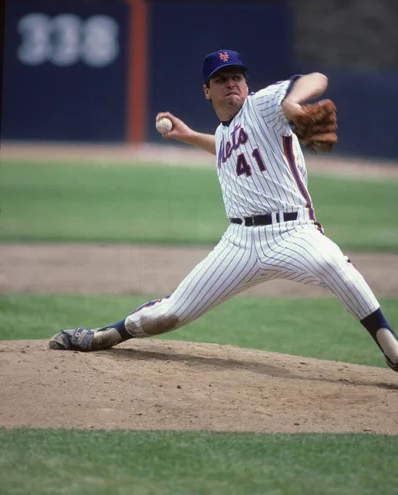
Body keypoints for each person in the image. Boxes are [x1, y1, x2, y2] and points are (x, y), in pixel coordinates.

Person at [49, 49, 398, 372]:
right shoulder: (225, 131)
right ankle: (104, 336)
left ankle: (392, 351)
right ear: (207, 90)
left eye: (237, 77)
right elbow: (228, 145)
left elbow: (316, 78)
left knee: (335, 265)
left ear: (246, 84)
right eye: (221, 79)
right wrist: (189, 137)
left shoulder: (263, 105)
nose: (231, 83)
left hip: (294, 232)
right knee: (170, 314)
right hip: (239, 243)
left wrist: (292, 103)